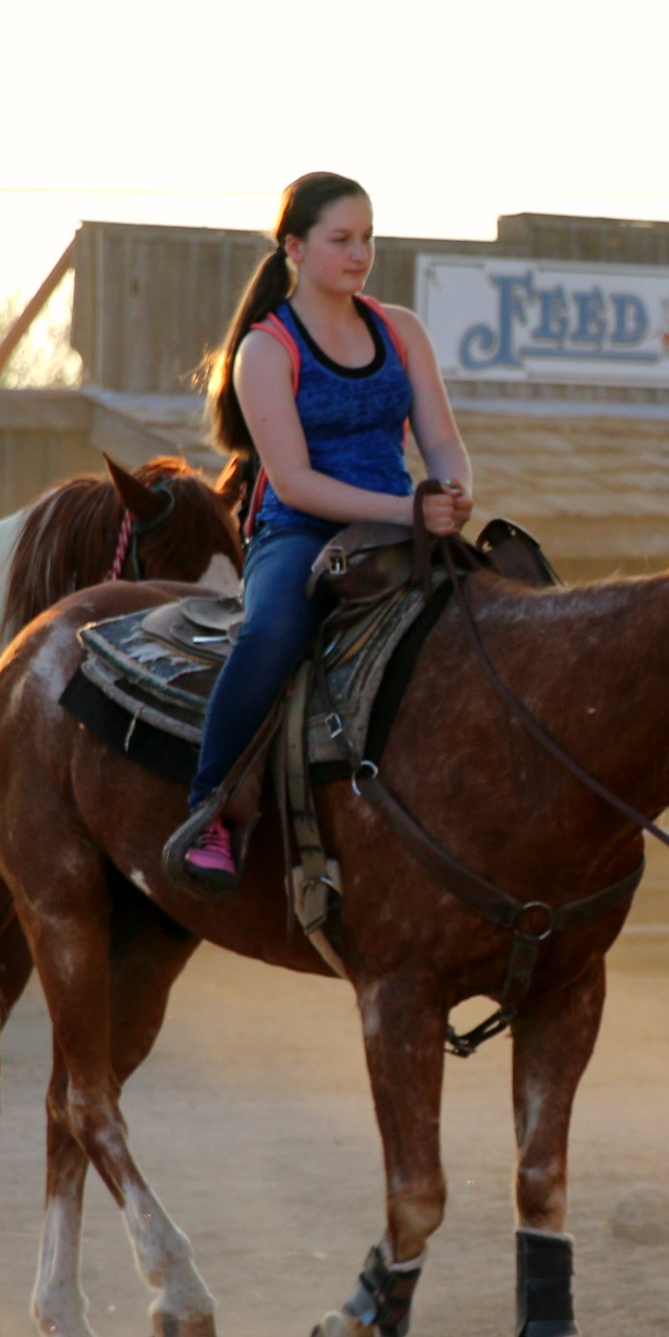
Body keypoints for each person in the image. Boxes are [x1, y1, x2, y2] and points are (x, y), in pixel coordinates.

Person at [167, 173, 473, 893]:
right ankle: (209, 809)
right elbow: (295, 481)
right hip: (300, 533)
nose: (360, 253)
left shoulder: (401, 329)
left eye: (367, 238)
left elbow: (442, 441)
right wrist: (408, 511)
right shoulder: (267, 349)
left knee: (505, 603)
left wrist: (455, 491)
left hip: (400, 527)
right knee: (271, 632)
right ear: (295, 248)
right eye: (341, 239)